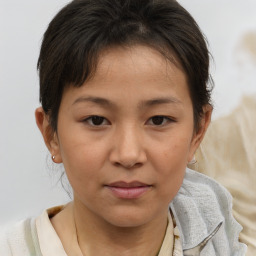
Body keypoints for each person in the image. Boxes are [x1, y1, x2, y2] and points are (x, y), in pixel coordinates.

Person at [0, 0, 247, 255]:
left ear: (198, 132)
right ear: (51, 134)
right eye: (96, 120)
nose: (128, 155)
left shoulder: (218, 234)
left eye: (158, 120)